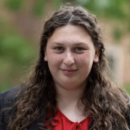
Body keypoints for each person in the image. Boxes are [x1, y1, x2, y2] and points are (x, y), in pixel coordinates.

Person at [0, 4, 130, 130]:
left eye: (79, 49)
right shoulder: (8, 107)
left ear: (96, 53)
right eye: (59, 48)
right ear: (45, 52)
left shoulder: (124, 112)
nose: (68, 60)